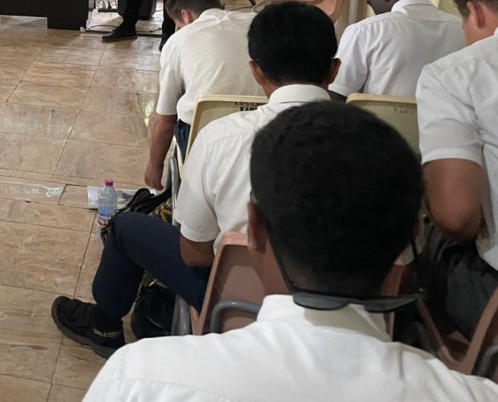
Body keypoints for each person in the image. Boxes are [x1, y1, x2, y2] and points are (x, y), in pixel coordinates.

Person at [84, 101, 498, 401]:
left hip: (216, 292)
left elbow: (193, 252)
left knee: (128, 228)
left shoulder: (139, 378)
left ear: (255, 228)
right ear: (413, 233)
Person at [52, 0, 338, 358]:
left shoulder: (223, 137)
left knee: (126, 229)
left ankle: (103, 325)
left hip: (238, 304)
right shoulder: (382, 143)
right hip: (351, 322)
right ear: (334, 69)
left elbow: (195, 252)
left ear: (256, 70)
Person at [418, 0, 498, 338]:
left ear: (476, 12)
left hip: (492, 294)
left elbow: (458, 216)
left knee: (433, 233)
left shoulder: (457, 74)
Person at [145, 0, 261, 189]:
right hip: (266, 134)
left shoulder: (178, 40)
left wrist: (154, 166)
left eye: (178, 24)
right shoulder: (257, 22)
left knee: (182, 112)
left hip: (206, 142)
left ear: (185, 15)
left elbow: (165, 119)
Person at [329, 0, 463, 100]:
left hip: (376, 115)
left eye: (371, 3)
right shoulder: (462, 29)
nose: (373, 10)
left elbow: (337, 95)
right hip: (444, 115)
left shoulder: (364, 31)